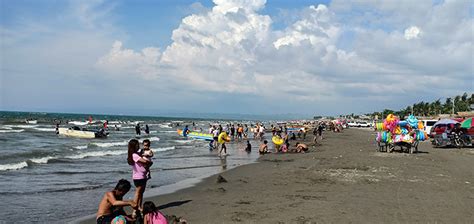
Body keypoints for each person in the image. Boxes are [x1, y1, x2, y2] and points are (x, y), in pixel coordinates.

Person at [127, 139, 153, 215]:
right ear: (133, 146)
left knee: (141, 193)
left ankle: (139, 207)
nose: (138, 146)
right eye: (137, 145)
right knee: (138, 192)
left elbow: (147, 156)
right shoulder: (134, 155)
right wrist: (150, 162)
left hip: (143, 175)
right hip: (138, 176)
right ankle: (135, 209)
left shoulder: (137, 153)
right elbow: (144, 161)